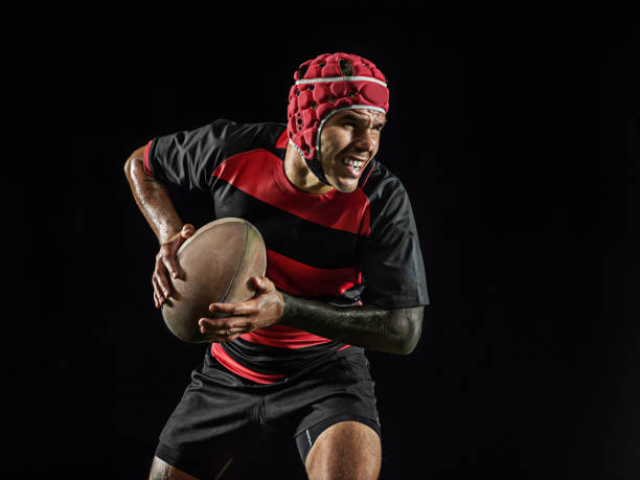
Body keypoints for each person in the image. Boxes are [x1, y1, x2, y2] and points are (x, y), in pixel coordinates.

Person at [124, 52, 429, 479]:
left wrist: (284, 308)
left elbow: (404, 331)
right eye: (350, 124)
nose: (368, 144)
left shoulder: (382, 198)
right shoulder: (233, 151)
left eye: (376, 128)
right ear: (307, 123)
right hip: (230, 371)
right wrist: (169, 236)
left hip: (328, 372)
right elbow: (140, 164)